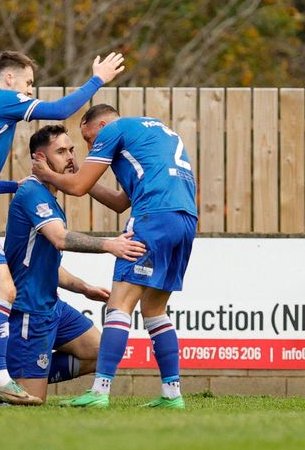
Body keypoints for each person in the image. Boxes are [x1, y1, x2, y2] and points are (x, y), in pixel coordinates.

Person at [0, 50, 125, 406]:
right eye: (29, 83)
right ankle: (1, 379)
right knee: (3, 290)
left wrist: (11, 186)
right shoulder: (0, 99)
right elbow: (62, 109)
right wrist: (98, 79)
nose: (30, 91)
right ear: (9, 79)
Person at [0, 124, 145, 405]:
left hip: (52, 306)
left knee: (97, 351)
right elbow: (59, 239)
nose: (70, 157)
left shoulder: (50, 197)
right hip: (28, 311)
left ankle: (32, 374)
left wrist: (84, 288)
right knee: (31, 398)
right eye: (61, 151)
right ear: (40, 159)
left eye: (71, 149)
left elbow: (46, 264)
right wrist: (110, 245)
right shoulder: (33, 193)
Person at [32, 104, 197, 408]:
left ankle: (100, 391)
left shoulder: (113, 130)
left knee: (119, 304)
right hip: (185, 219)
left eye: (88, 138)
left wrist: (48, 174)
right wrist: (84, 178)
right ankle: (172, 395)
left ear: (101, 124)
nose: (90, 146)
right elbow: (122, 201)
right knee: (155, 309)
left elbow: (78, 187)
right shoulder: (153, 131)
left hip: (153, 218)